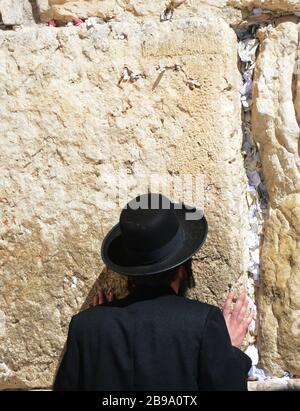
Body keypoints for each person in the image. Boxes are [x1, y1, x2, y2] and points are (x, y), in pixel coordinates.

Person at [53, 193, 254, 391]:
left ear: (127, 269)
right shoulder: (203, 323)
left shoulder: (85, 327)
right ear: (182, 268)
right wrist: (228, 353)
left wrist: (97, 331)